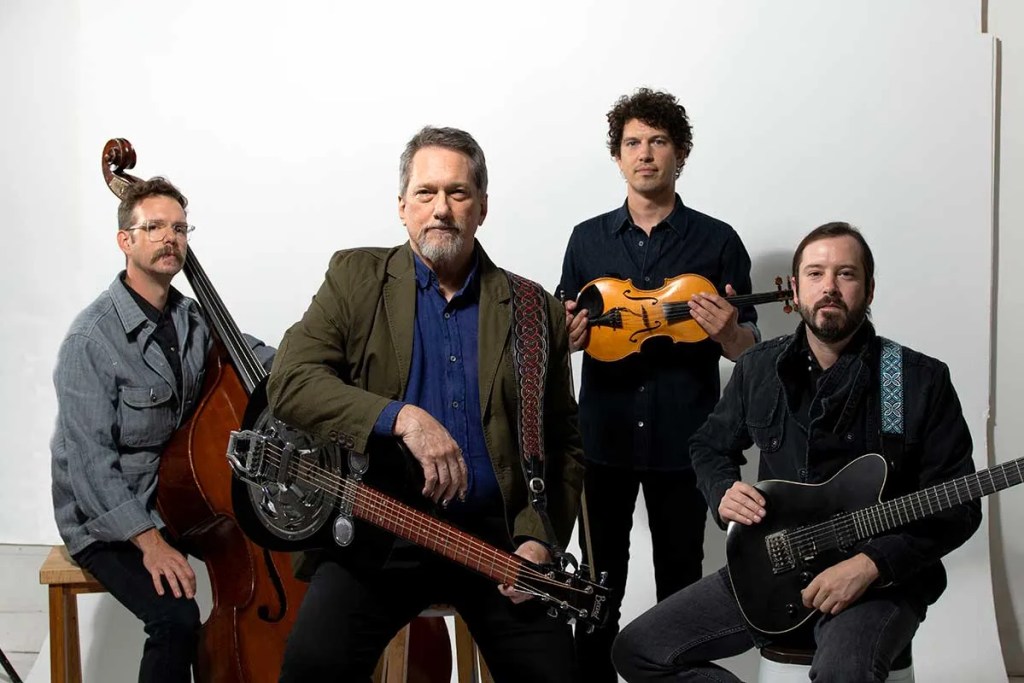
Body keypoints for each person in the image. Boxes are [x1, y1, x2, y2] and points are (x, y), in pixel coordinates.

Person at [267, 126, 585, 682]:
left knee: (560, 677)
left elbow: (563, 441)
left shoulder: (534, 308)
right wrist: (401, 419)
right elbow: (290, 381)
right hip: (379, 529)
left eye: (458, 193)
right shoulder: (354, 278)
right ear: (402, 206)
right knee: (311, 669)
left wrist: (540, 535)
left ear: (482, 207)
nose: (441, 208)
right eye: (426, 193)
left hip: (496, 540)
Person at [612, 222, 982, 681]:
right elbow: (708, 445)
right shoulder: (758, 367)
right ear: (794, 288)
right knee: (639, 650)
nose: (830, 287)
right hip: (770, 568)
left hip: (877, 581)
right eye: (815, 273)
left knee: (842, 672)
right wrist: (722, 489)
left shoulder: (916, 379)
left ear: (869, 289)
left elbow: (960, 506)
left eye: (846, 273)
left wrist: (872, 564)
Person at [557, 87, 760, 681]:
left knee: (680, 589)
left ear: (680, 153)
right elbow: (561, 330)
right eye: (632, 143)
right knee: (596, 590)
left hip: (685, 443)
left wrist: (730, 333)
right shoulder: (586, 239)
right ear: (618, 156)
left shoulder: (718, 241)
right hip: (603, 441)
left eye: (658, 142)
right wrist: (567, 336)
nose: (645, 154)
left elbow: (750, 351)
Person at [50, 177, 274, 683]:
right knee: (175, 618)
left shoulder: (191, 319)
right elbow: (91, 468)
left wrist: (314, 368)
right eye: (154, 227)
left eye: (179, 228)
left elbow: (255, 356)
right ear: (125, 241)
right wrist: (150, 544)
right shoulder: (91, 340)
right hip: (105, 519)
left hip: (174, 501)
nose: (170, 237)